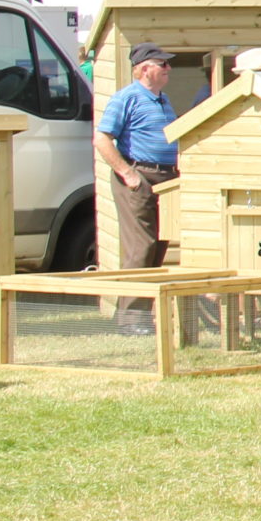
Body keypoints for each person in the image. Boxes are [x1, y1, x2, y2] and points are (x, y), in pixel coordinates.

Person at [94, 41, 181, 334]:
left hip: (166, 180)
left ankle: (143, 316)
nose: (169, 68)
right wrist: (128, 174)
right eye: (163, 64)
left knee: (158, 247)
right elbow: (102, 139)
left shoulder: (162, 99)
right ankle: (132, 321)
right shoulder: (125, 98)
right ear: (145, 69)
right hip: (138, 178)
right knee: (140, 248)